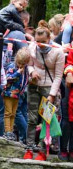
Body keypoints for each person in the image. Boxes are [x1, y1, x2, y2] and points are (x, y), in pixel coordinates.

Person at [24, 20, 65, 161]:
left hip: (49, 87)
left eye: (42, 41)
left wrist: (52, 94)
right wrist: (31, 72)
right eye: (37, 41)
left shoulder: (58, 51)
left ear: (49, 39)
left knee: (46, 119)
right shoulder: (32, 47)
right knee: (32, 118)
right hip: (34, 85)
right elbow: (28, 64)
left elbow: (59, 75)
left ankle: (42, 150)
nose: (39, 44)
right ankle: (29, 148)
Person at [2, 47, 30, 140]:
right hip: (9, 93)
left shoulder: (25, 70)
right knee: (8, 112)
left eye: (23, 64)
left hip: (17, 94)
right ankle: (7, 131)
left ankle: (11, 130)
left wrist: (22, 90)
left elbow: (25, 79)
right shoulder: (12, 67)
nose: (21, 66)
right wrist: (17, 73)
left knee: (13, 113)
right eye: (19, 63)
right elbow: (8, 78)